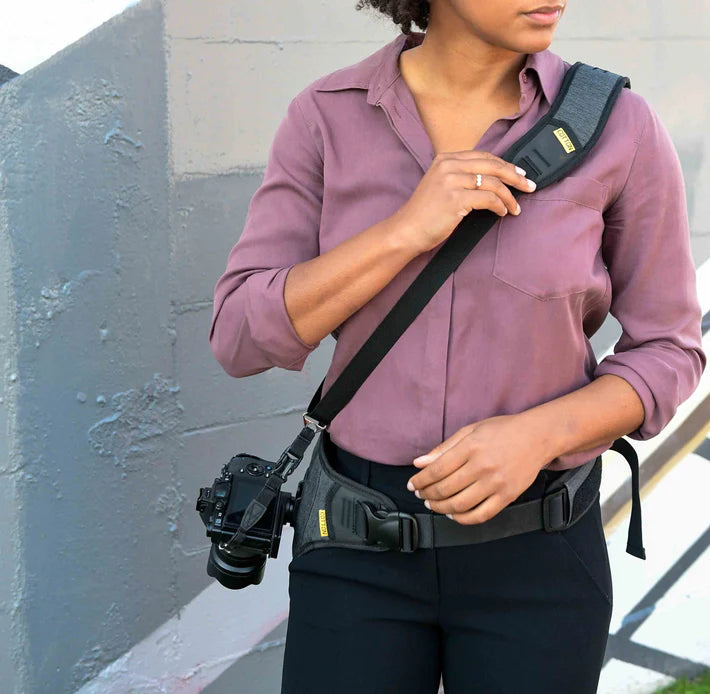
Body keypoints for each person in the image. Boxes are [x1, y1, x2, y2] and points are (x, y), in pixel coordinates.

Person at [209, 1, 706, 692]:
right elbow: (237, 336)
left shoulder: (618, 126)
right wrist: (403, 231)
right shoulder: (327, 115)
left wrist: (539, 436)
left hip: (540, 554)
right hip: (356, 550)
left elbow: (670, 350)